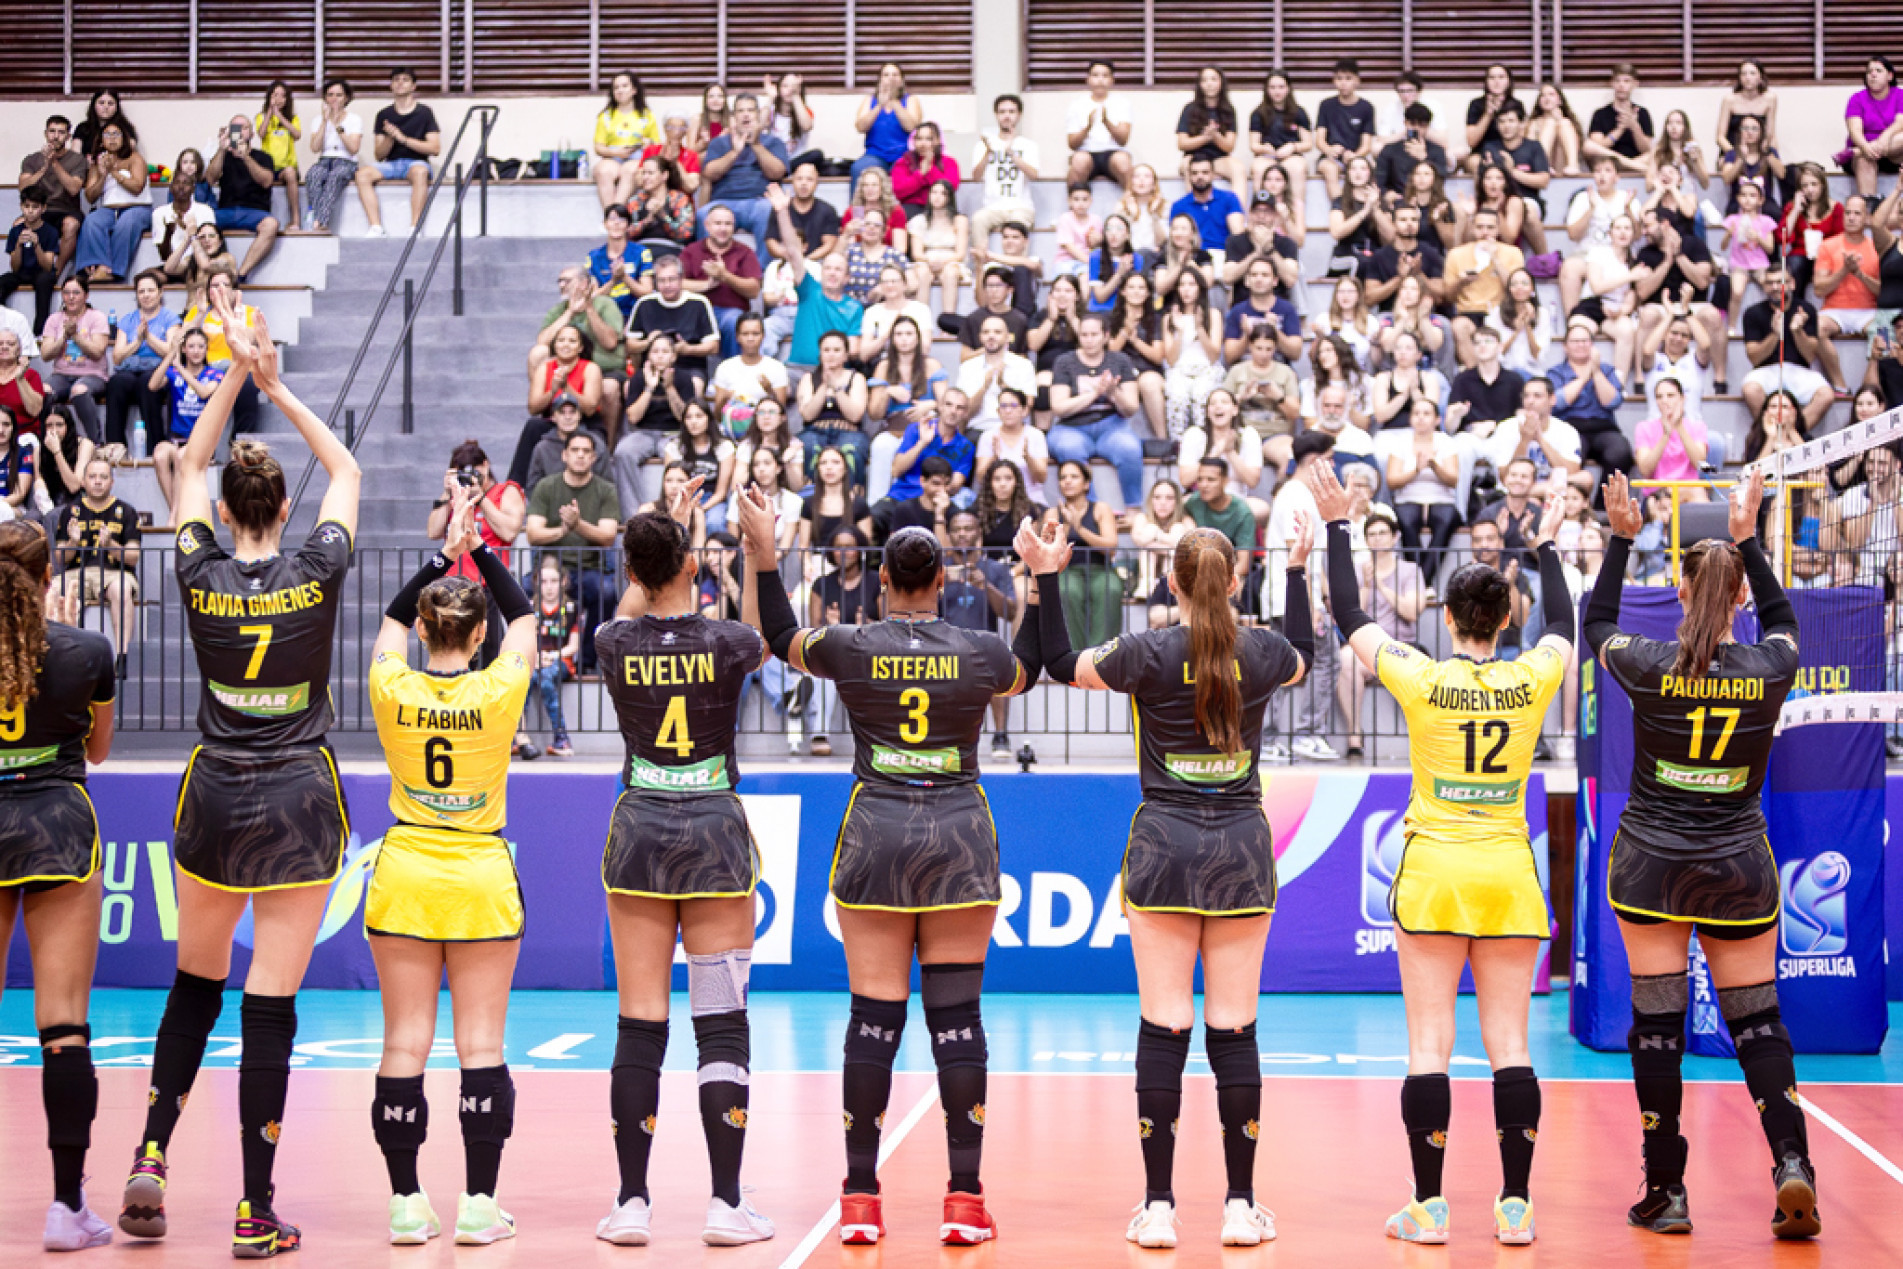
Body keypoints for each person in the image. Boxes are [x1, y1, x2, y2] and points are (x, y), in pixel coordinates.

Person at [736, 487, 1042, 1249]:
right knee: (958, 1020)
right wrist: (1039, 581)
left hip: (874, 830)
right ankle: (964, 1199)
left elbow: (776, 635)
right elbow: (1034, 666)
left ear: (881, 583)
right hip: (959, 834)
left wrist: (766, 553)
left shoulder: (851, 643)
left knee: (872, 1018)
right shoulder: (978, 651)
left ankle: (861, 1198)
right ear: (941, 580)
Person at [115, 306, 359, 1258]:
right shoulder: (318, 564)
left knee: (193, 984)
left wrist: (227, 380)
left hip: (215, 787)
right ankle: (255, 1209)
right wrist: (279, 386)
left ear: (221, 513)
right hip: (297, 790)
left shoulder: (197, 567)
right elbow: (344, 469)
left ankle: (150, 1149)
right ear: (284, 511)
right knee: (270, 1005)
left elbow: (186, 461)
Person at [1309, 460, 1572, 1246]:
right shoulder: (1529, 679)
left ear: (1446, 615)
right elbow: (1562, 624)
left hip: (1431, 876)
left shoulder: (1421, 677)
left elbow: (1349, 610)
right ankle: (1515, 1205)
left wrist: (1335, 525)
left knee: (1428, 1047)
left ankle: (1426, 1208)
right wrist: (1548, 546)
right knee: (1512, 1047)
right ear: (1503, 617)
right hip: (1506, 877)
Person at [1033, 517, 1312, 1248]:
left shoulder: (1145, 650)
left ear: (1170, 582)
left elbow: (1059, 660)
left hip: (1161, 843)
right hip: (1241, 847)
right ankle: (1239, 1206)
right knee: (1234, 1027)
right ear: (1235, 581)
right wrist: (1298, 571)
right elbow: (1307, 656)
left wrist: (1046, 577)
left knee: (1163, 1025)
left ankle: (1158, 1206)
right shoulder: (1262, 649)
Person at [1589, 470, 1820, 1241]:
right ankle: (1792, 1163)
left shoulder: (1647, 663)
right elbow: (1784, 619)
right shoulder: (1769, 668)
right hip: (1737, 867)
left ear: (1681, 596)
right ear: (1740, 602)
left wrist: (1622, 538)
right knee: (1756, 1020)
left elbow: (1596, 623)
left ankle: (1666, 1189)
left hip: (1650, 862)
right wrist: (1751, 538)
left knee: (1657, 1025)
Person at [588, 500, 778, 1247]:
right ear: (694, 567)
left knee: (640, 1022)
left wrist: (654, 549)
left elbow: (638, 602)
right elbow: (763, 636)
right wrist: (753, 555)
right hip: (713, 836)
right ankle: (726, 1202)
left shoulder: (611, 639)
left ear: (631, 572)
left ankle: (632, 1201)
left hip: (639, 832)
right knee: (720, 1020)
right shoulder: (729, 640)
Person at [364, 487, 535, 1247]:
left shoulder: (391, 685)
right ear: (479, 639)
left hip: (403, 871)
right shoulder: (499, 688)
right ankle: (476, 1204)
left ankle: (405, 1204)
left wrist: (440, 555)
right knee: (481, 1046)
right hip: (478, 879)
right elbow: (526, 618)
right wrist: (483, 551)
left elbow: (390, 622)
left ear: (429, 631)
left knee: (402, 1041)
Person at [0, 518, 118, 1252]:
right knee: (63, 1025)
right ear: (49, 579)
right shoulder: (85, 650)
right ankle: (66, 1207)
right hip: (56, 825)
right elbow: (100, 751)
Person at [525, 430, 622, 675]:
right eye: (575, 450)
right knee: (522, 589)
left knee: (607, 592)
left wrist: (578, 526)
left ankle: (587, 661)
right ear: (564, 455)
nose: (580, 456)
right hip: (551, 568)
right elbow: (533, 534)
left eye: (586, 451)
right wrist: (563, 530)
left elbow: (608, 536)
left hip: (589, 568)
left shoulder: (606, 490)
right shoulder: (546, 487)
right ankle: (528, 657)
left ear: (594, 458)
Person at [941, 508, 1020, 759]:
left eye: (968, 528)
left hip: (985, 642)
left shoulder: (996, 569)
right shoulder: (940, 569)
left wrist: (986, 586)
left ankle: (1000, 735)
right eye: (956, 529)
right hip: (946, 642)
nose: (962, 534)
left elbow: (1009, 612)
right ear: (949, 534)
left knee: (1001, 663)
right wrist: (941, 586)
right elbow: (922, 607)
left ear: (978, 532)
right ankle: (946, 737)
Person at [1047, 314, 1144, 508]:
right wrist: (1094, 394)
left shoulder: (1120, 360)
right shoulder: (1064, 362)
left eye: (1094, 334)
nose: (1088, 340)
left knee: (1130, 448)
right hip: (1071, 427)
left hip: (1112, 426)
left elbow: (1131, 408)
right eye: (1084, 335)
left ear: (1106, 336)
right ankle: (1091, 509)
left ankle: (1133, 507)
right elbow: (1059, 407)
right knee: (1068, 448)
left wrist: (1113, 392)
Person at [765, 182, 864, 372]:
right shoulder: (809, 289)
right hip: (797, 369)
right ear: (821, 272)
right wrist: (782, 212)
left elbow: (853, 349)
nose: (832, 273)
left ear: (846, 278)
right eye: (828, 268)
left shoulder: (854, 307)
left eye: (838, 269)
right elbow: (794, 251)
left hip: (836, 372)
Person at [53, 455, 141, 650]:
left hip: (115, 574)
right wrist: (72, 542)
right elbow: (60, 557)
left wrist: (110, 544)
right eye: (92, 476)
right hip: (76, 574)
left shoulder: (126, 511)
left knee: (121, 589)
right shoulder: (70, 511)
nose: (98, 481)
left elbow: (133, 558)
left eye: (103, 477)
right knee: (53, 588)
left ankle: (122, 654)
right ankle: (60, 653)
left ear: (112, 481)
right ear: (83, 482)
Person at [1740, 267, 1834, 434]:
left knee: (1826, 394)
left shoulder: (1806, 310)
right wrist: (1775, 334)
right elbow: (1754, 358)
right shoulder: (1753, 313)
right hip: (1766, 370)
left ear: (1792, 284)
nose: (1775, 287)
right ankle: (1769, 434)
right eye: (1770, 283)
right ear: (1764, 286)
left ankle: (1792, 435)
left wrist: (1797, 331)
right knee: (1750, 389)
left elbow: (1809, 355)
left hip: (1799, 371)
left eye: (1780, 282)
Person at [353, 67, 439, 238]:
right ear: (391, 85)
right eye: (396, 80)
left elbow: (434, 148)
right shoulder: (384, 114)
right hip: (391, 164)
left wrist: (403, 138)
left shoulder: (424, 112)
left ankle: (415, 227)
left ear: (413, 86)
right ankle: (376, 227)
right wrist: (390, 137)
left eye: (405, 79)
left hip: (416, 163)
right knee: (362, 174)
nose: (400, 83)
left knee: (420, 172)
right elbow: (379, 155)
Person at [1814, 194, 1882, 394]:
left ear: (1867, 218)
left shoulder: (1877, 247)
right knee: (1815, 328)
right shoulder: (1828, 246)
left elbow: (1883, 291)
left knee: (1884, 332)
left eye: (1857, 213)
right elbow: (1819, 289)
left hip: (1868, 311)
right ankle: (1840, 385)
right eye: (1848, 213)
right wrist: (1844, 270)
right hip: (1834, 311)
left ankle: (1870, 390)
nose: (1851, 218)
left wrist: (1859, 274)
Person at [104, 270, 181, 449]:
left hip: (158, 370)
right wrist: (138, 341)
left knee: (148, 383)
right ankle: (115, 446)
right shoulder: (127, 320)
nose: (146, 295)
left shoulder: (170, 318)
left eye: (150, 290)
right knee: (116, 383)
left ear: (160, 292)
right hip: (130, 369)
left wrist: (149, 338)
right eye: (141, 291)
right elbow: (117, 357)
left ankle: (156, 446)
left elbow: (172, 352)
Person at [703, 93, 789, 248]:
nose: (746, 115)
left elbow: (776, 173)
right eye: (741, 111)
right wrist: (734, 153)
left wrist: (756, 145)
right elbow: (709, 173)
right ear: (734, 116)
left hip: (759, 201)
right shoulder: (719, 142)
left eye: (750, 110)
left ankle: (763, 270)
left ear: (757, 114)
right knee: (704, 213)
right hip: (724, 201)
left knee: (769, 210)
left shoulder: (773, 142)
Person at [1549, 321, 1631, 477]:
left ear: (1592, 345)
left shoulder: (1606, 370)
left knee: (1620, 453)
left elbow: (1612, 402)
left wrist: (1597, 371)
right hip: (1569, 427)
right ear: (1565, 347)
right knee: (1568, 458)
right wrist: (1587, 373)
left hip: (1603, 427)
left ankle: (1604, 502)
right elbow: (1557, 402)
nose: (1580, 345)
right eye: (1575, 341)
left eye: (1585, 341)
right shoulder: (1556, 373)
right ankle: (1573, 500)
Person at [204, 115, 280, 283]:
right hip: (226, 211)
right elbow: (210, 179)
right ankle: (205, 272)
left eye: (243, 127)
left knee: (271, 224)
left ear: (252, 134)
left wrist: (245, 156)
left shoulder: (263, 157)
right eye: (234, 128)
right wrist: (222, 149)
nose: (238, 132)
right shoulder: (222, 156)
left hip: (254, 211)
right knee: (201, 221)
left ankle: (240, 274)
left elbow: (266, 181)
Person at [681, 205, 763, 359]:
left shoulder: (745, 252)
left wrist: (725, 276)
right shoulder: (692, 251)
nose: (723, 228)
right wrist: (707, 285)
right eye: (718, 223)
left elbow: (754, 290)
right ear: (707, 226)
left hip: (730, 312)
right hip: (698, 312)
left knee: (734, 321)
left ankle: (733, 373)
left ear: (734, 227)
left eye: (728, 224)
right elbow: (676, 284)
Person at [75, 121, 149, 283]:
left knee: (127, 222)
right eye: (108, 134)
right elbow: (90, 197)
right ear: (102, 140)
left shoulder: (134, 158)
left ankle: (113, 271)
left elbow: (137, 187)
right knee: (92, 221)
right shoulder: (98, 162)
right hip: (109, 210)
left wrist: (113, 171)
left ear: (124, 139)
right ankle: (97, 267)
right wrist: (102, 175)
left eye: (117, 134)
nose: (112, 138)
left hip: (137, 209)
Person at [38, 277, 111, 443]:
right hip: (62, 375)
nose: (71, 297)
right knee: (43, 390)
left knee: (79, 390)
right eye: (66, 293)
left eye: (76, 293)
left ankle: (96, 442)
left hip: (93, 375)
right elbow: (45, 354)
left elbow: (98, 351)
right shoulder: (54, 320)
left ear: (86, 295)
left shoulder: (96, 317)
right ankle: (45, 441)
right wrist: (64, 336)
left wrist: (76, 336)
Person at [627, 255, 719, 380]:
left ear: (681, 279)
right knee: (628, 387)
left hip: (689, 367)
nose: (667, 285)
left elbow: (713, 346)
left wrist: (687, 349)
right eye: (662, 280)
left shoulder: (699, 303)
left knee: (695, 385)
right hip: (652, 367)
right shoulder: (644, 303)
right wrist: (648, 342)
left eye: (672, 279)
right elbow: (630, 345)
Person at [17, 116, 87, 279]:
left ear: (68, 136)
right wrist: (43, 168)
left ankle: (55, 272)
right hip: (40, 210)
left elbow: (74, 189)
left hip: (67, 210)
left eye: (61, 132)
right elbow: (23, 188)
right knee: (18, 224)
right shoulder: (32, 159)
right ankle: (22, 274)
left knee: (70, 225)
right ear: (45, 134)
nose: (56, 136)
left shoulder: (78, 160)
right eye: (52, 131)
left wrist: (55, 163)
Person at [796, 332, 871, 479]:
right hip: (814, 431)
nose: (831, 354)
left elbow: (855, 415)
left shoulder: (856, 378)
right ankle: (810, 496)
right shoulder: (808, 379)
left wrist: (837, 388)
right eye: (826, 350)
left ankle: (851, 497)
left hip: (849, 432)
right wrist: (824, 385)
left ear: (845, 355)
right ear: (820, 354)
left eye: (837, 350)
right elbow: (807, 414)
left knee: (853, 450)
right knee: (808, 448)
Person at [970, 95, 1040, 247]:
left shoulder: (1028, 145)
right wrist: (988, 153)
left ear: (1019, 115)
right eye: (1002, 112)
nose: (1007, 116)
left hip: (1020, 206)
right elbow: (975, 177)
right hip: (992, 207)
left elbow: (1034, 175)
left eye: (1011, 111)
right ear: (996, 115)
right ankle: (981, 269)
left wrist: (1012, 154)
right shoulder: (983, 145)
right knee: (977, 219)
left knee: (1017, 227)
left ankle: (1019, 268)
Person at [592, 71, 661, 209]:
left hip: (637, 156)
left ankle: (615, 213)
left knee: (630, 170)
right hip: (612, 156)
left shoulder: (646, 115)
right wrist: (616, 153)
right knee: (602, 170)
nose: (620, 90)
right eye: (616, 87)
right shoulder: (605, 116)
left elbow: (657, 146)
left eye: (624, 86)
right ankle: (610, 215)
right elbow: (598, 147)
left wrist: (649, 144)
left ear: (634, 90)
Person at [303, 78, 363, 233]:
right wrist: (325, 122)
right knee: (313, 174)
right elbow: (315, 148)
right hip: (324, 160)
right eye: (330, 95)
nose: (334, 99)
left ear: (346, 98)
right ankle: (319, 220)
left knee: (335, 176)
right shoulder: (318, 120)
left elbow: (353, 148)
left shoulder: (354, 119)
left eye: (338, 95)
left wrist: (337, 125)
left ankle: (319, 222)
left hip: (345, 161)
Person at [1248, 69, 1313, 207]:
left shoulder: (1299, 112)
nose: (1277, 91)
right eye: (1272, 87)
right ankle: (1260, 211)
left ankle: (1296, 214)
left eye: (1281, 87)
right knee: (1259, 168)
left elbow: (1308, 144)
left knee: (1297, 168)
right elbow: (1253, 145)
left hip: (1292, 156)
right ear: (1266, 89)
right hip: (1267, 156)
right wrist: (1264, 148)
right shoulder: (1258, 113)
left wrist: (1293, 147)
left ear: (1288, 88)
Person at [1316, 59, 1378, 201]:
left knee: (1371, 168)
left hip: (1356, 156)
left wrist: (1355, 156)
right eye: (1339, 78)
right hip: (1331, 158)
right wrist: (1329, 150)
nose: (1343, 83)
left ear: (1357, 81)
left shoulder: (1366, 107)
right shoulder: (1326, 105)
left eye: (1348, 78)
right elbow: (1319, 140)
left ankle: (1366, 208)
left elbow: (1366, 145)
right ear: (1334, 81)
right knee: (1330, 169)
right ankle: (1339, 208)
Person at [1067, 60, 1135, 189]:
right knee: (1078, 161)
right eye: (1096, 75)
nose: (1100, 80)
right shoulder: (1076, 104)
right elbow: (1072, 144)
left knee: (1123, 162)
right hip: (1086, 152)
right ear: (1088, 79)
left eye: (1105, 76)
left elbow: (1123, 141)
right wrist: (1087, 127)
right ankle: (1073, 206)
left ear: (1112, 80)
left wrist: (1106, 122)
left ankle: (1131, 205)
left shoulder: (1122, 103)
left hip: (1114, 152)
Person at [3, 190, 63, 335]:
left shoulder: (50, 232)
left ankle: (40, 330)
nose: (30, 211)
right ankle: (3, 324)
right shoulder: (16, 231)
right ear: (21, 207)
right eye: (27, 206)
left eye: (35, 207)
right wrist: (18, 246)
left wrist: (37, 245)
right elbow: (15, 268)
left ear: (43, 208)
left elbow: (48, 266)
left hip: (41, 272)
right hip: (23, 272)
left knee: (45, 279)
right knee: (3, 281)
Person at [851, 63, 922, 186]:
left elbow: (911, 127)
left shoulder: (911, 100)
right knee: (858, 168)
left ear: (901, 80)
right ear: (880, 80)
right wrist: (879, 105)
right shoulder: (869, 100)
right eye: (886, 75)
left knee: (909, 174)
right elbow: (860, 127)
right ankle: (858, 206)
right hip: (875, 155)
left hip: (903, 156)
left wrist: (894, 101)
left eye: (895, 75)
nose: (891, 78)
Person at [1843, 55, 1903, 198]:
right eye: (1869, 71)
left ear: (1889, 75)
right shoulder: (1857, 98)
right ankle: (1870, 207)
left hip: (1893, 153)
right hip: (1864, 152)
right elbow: (1854, 131)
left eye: (1878, 70)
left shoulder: (1900, 95)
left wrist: (1883, 139)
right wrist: (1865, 148)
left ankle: (1855, 152)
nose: (1873, 74)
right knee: (1864, 159)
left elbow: (1900, 123)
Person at [587, 205, 654, 324]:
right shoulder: (593, 257)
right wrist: (614, 280)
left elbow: (647, 292)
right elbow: (593, 296)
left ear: (629, 225)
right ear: (604, 224)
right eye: (612, 219)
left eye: (622, 219)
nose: (616, 223)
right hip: (604, 316)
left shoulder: (641, 253)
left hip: (634, 314)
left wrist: (624, 277)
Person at [1174, 67, 1241, 187]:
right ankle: (1193, 205)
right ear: (1200, 85)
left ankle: (1238, 206)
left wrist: (1215, 136)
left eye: (1213, 79)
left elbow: (1229, 146)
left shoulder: (1228, 110)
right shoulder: (1190, 109)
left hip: (1219, 159)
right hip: (1194, 158)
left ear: (1221, 83)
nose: (1209, 84)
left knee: (1238, 168)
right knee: (1186, 166)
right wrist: (1205, 138)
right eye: (1204, 80)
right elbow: (1182, 143)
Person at [1586, 63, 1655, 175]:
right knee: (1588, 146)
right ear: (1612, 83)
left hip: (1638, 161)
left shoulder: (1642, 113)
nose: (1621, 85)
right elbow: (1597, 146)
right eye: (1618, 81)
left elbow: (1646, 149)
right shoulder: (1600, 114)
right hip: (1608, 164)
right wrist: (1620, 129)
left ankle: (1626, 166)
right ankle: (1627, 165)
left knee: (1656, 153)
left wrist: (1634, 126)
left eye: (1626, 81)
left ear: (1635, 84)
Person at [628, 155, 697, 244]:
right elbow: (625, 233)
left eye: (650, 173)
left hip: (671, 250)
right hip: (640, 250)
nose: (645, 177)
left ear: (664, 175)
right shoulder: (636, 200)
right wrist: (646, 221)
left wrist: (663, 215)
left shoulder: (678, 199)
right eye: (644, 173)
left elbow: (685, 234)